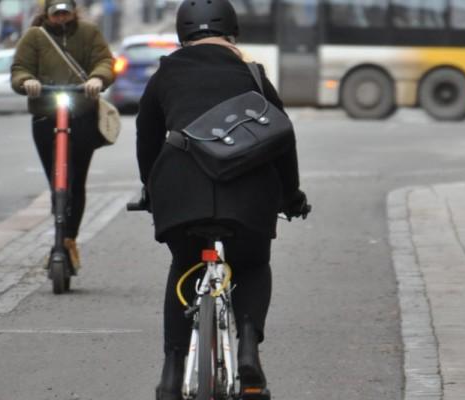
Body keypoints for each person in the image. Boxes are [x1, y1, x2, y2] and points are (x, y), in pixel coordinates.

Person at [134, 1, 310, 399]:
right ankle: (249, 351)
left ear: (182, 34)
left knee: (185, 264)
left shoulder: (166, 74)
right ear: (233, 33)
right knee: (251, 264)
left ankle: (171, 372)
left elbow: (147, 137)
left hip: (180, 190)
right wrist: (291, 195)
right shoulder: (252, 73)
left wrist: (151, 188)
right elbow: (283, 137)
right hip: (249, 191)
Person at [10, 0, 115, 270]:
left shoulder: (89, 33)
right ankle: (60, 232)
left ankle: (68, 239)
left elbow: (105, 61)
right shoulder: (35, 36)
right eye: (56, 13)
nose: (61, 17)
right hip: (47, 113)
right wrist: (27, 82)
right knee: (57, 183)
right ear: (47, 14)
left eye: (65, 11)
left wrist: (97, 78)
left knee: (75, 181)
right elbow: (20, 68)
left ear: (74, 11)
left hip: (81, 113)